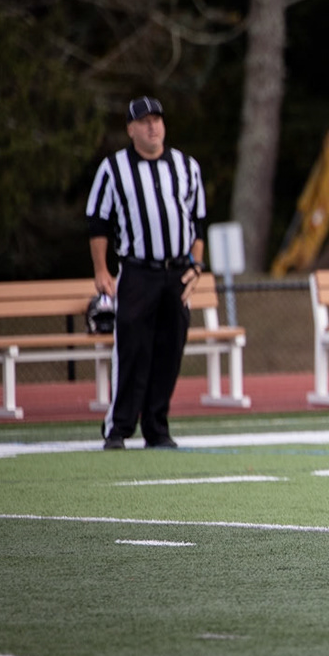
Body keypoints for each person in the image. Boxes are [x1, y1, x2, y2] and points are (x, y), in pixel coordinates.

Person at [86, 96, 207, 450]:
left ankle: (157, 426)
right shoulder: (114, 168)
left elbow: (198, 221)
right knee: (132, 348)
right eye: (144, 121)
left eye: (157, 120)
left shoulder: (187, 167)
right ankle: (119, 427)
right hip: (138, 270)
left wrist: (197, 266)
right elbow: (98, 222)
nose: (152, 126)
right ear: (130, 129)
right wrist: (101, 270)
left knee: (170, 349)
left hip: (177, 273)